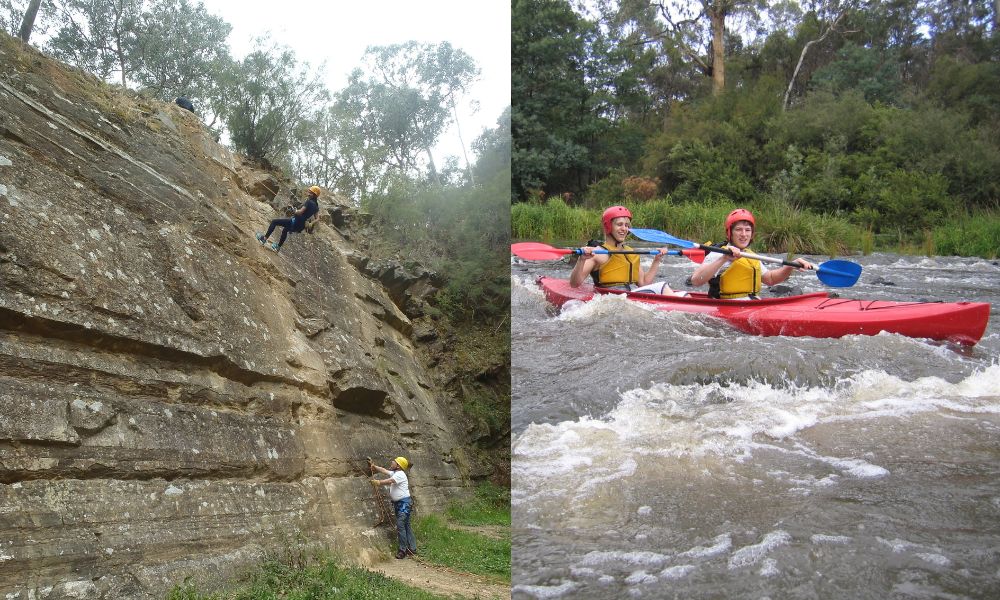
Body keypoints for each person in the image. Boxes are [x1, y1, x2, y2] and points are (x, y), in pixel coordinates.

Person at [688, 208, 814, 299]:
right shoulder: (719, 253)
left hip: (752, 304)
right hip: (727, 307)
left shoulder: (750, 255)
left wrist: (790, 266)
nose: (744, 234)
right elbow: (695, 280)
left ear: (752, 234)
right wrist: (724, 258)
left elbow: (770, 279)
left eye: (747, 230)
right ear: (729, 233)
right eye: (738, 230)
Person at [569, 205, 685, 295]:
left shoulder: (631, 253)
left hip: (626, 297)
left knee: (684, 294)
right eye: (619, 224)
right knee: (662, 286)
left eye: (627, 225)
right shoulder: (597, 253)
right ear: (608, 226)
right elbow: (574, 284)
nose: (624, 229)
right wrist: (581, 260)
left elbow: (643, 283)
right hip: (608, 297)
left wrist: (657, 260)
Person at [370, 456, 417, 559]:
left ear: (398, 466)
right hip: (402, 504)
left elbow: (390, 481)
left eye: (394, 462)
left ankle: (402, 551)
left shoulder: (400, 474)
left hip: (403, 504)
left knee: (401, 526)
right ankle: (412, 548)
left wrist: (378, 482)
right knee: (406, 525)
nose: (392, 462)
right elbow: (384, 470)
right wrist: (374, 466)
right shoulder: (396, 472)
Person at [256, 185, 321, 252]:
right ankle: (277, 247)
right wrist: (311, 223)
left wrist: (294, 210)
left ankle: (264, 239)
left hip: (296, 221)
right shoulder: (316, 206)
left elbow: (300, 212)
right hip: (301, 226)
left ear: (314, 194)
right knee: (285, 230)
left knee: (274, 222)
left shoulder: (309, 202)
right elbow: (318, 218)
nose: (308, 194)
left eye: (310, 192)